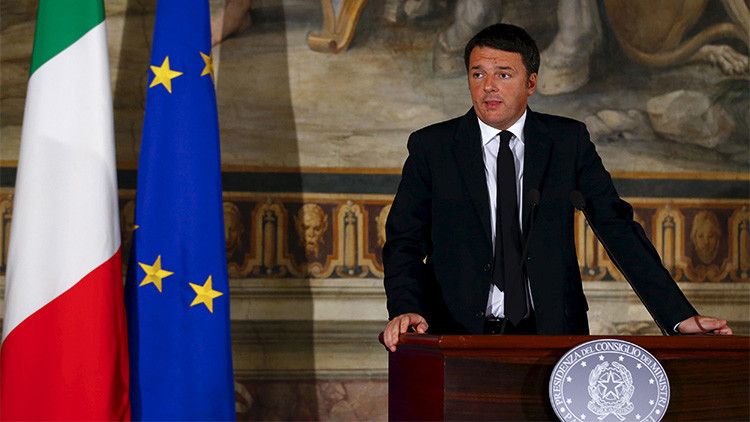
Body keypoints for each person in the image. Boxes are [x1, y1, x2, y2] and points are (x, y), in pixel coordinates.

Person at [382, 23, 732, 351]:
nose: (488, 86)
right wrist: (405, 307)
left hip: (552, 334)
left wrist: (678, 316)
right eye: (478, 74)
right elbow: (404, 241)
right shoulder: (433, 147)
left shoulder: (567, 142)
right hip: (454, 334)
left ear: (531, 82)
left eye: (503, 74)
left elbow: (618, 228)